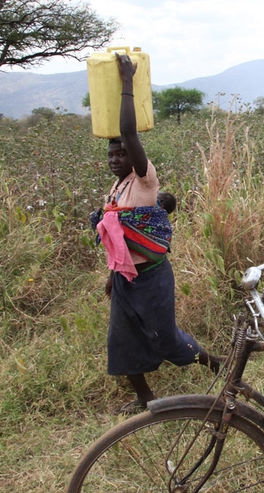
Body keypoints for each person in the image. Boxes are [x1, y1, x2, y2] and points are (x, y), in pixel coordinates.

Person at [91, 53, 220, 415]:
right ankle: (146, 400)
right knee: (121, 340)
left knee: (167, 340)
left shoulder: (145, 181)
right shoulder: (114, 192)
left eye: (121, 153)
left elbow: (130, 131)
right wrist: (112, 276)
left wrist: (127, 81)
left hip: (151, 278)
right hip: (126, 280)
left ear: (134, 156)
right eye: (111, 154)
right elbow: (117, 240)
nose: (116, 158)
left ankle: (217, 365)